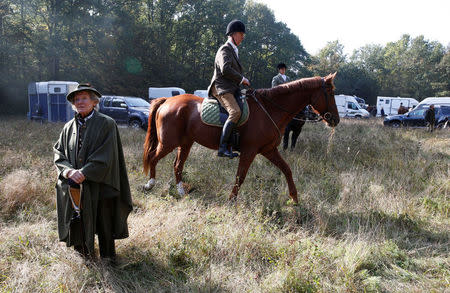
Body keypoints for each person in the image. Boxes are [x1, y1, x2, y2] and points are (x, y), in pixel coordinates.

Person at [53, 83, 133, 262]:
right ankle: (84, 255)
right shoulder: (68, 127)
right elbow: (59, 152)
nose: (80, 102)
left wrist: (84, 173)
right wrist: (68, 172)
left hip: (101, 182)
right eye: (76, 99)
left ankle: (108, 258)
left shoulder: (107, 123)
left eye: (84, 98)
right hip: (75, 184)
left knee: (104, 220)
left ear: (94, 101)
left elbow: (106, 154)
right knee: (78, 218)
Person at [207, 19, 250, 158]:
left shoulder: (234, 50)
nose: (243, 37)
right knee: (235, 112)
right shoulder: (225, 49)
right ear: (233, 34)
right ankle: (222, 148)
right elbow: (225, 69)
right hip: (222, 88)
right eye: (241, 34)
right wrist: (242, 79)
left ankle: (237, 142)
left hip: (232, 87)